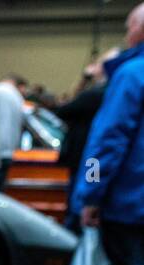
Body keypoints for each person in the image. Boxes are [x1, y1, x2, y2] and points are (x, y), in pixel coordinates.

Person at [75, 2, 144, 265]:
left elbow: (104, 145)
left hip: (129, 203)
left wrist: (90, 194)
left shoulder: (132, 74)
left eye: (129, 26)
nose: (127, 34)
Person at [56, 50, 116, 230]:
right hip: (94, 158)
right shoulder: (111, 91)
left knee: (80, 204)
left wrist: (84, 79)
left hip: (90, 158)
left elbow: (63, 110)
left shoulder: (95, 94)